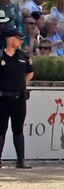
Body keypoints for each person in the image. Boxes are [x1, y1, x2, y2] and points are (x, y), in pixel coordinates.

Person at [0, 14, 32, 168]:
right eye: (18, 38)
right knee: (1, 129)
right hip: (2, 98)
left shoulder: (24, 55)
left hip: (19, 98)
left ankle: (21, 160)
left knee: (18, 129)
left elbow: (30, 72)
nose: (20, 40)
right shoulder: (0, 55)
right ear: (10, 39)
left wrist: (22, 83)